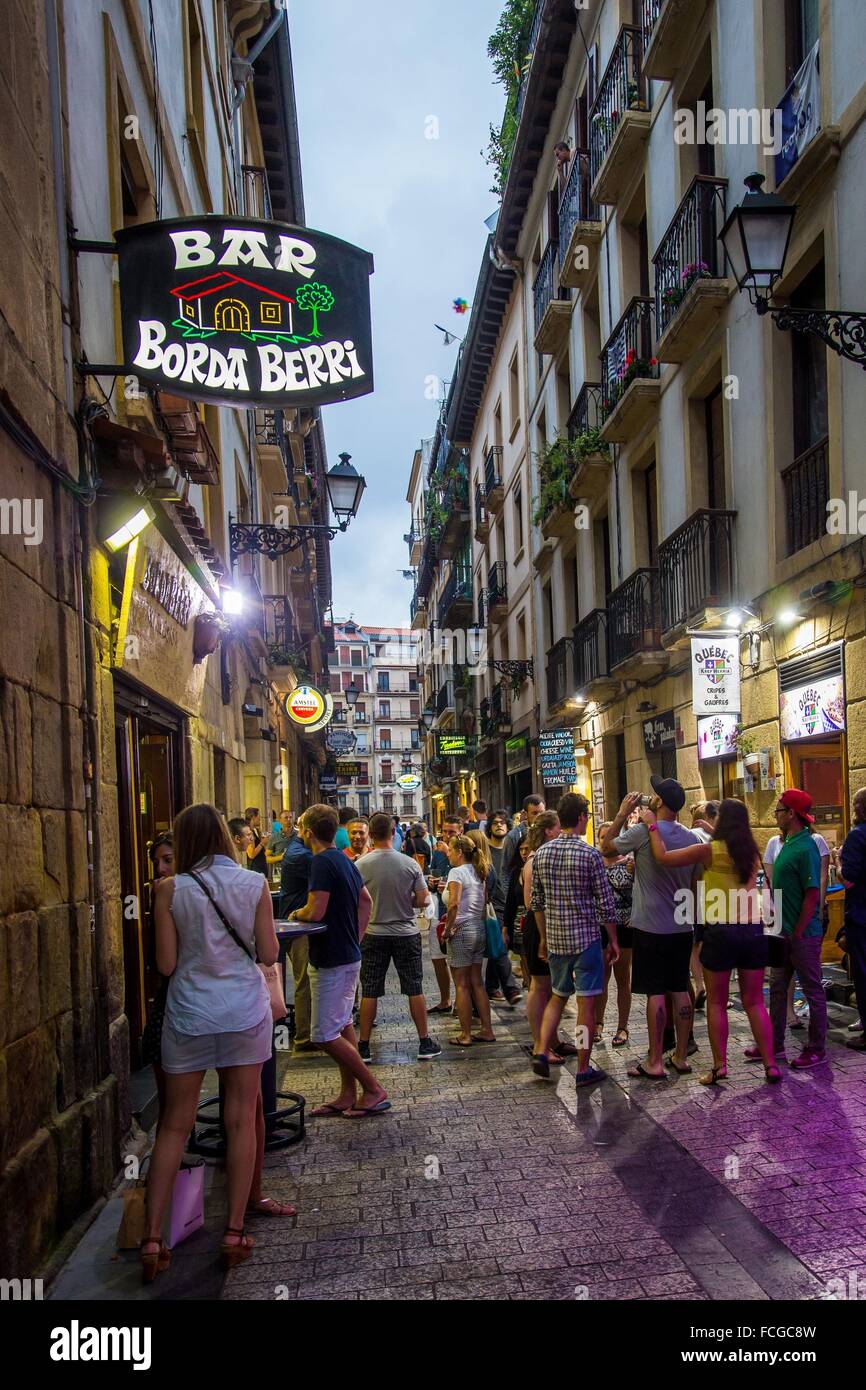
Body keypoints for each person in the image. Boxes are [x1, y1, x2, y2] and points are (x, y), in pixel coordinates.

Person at [143, 804, 279, 1279]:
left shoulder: (168, 890)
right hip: (242, 1011)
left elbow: (165, 964)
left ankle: (153, 1239)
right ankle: (235, 1230)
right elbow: (268, 951)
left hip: (189, 1014)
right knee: (241, 1119)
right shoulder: (253, 883)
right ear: (224, 836)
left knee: (174, 1125)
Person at [638, 800, 779, 1086]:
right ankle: (771, 1065)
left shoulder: (709, 851)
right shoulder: (751, 853)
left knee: (716, 1002)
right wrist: (710, 828)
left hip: (721, 932)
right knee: (754, 1002)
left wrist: (652, 824)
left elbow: (663, 856)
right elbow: (730, 844)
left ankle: (720, 1066)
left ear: (721, 821)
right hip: (752, 931)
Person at [291, 804, 390, 1117]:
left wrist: (296, 914)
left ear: (308, 831)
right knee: (343, 1023)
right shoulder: (345, 860)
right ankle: (348, 1093)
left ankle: (373, 1089)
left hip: (331, 958)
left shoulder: (321, 861)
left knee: (322, 1034)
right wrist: (356, 937)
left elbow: (315, 910)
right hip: (346, 954)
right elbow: (366, 901)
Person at [602, 778, 698, 1080]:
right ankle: (681, 1056)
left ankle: (655, 1060)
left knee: (656, 993)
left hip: (650, 926)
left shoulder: (643, 831)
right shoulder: (692, 837)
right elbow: (695, 883)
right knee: (680, 989)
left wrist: (621, 814)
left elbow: (606, 846)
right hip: (682, 927)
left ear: (660, 802)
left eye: (656, 794)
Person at [529, 794, 618, 1087]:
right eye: (588, 815)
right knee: (586, 1007)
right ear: (580, 817)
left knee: (557, 996)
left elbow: (537, 902)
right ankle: (582, 1067)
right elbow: (605, 904)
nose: (588, 819)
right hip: (586, 940)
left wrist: (543, 937)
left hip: (556, 940)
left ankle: (541, 1049)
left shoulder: (541, 854)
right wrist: (613, 940)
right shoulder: (590, 854)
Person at [356, 812, 441, 1061]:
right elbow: (424, 899)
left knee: (370, 989)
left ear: (370, 835)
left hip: (373, 933)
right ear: (394, 833)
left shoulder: (360, 865)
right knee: (414, 987)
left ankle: (363, 1045)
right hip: (406, 932)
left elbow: (355, 901)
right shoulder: (410, 864)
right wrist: (408, 900)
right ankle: (424, 1041)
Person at [764, 789, 827, 1068]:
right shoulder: (788, 842)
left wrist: (799, 931)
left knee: (813, 990)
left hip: (801, 935)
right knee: (777, 987)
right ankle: (774, 1044)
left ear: (791, 814)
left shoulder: (806, 846)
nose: (775, 815)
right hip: (783, 932)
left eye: (779, 810)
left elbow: (812, 893)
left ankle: (816, 1047)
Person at [442, 834, 497, 1046]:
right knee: (477, 983)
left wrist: (448, 930)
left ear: (459, 852)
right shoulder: (478, 871)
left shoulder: (456, 872)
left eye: (450, 849)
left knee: (462, 985)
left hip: (462, 929)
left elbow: (453, 904)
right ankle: (487, 1029)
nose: (448, 853)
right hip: (478, 927)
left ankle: (465, 1034)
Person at [141, 833, 175, 1130]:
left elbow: (165, 964)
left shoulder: (175, 896)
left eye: (168, 860)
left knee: (174, 1113)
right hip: (173, 1000)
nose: (161, 869)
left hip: (181, 1004)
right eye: (157, 862)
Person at [276, 812, 317, 1056]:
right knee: (305, 981)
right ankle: (304, 1037)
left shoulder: (298, 850)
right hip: (298, 927)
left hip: (298, 924)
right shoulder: (302, 856)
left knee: (307, 979)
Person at [595, 822, 634, 1049]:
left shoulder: (629, 863)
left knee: (623, 979)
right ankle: (598, 1023)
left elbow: (640, 890)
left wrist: (635, 914)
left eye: (610, 837)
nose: (605, 841)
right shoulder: (595, 863)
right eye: (602, 837)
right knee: (601, 979)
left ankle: (622, 1027)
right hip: (600, 927)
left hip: (624, 927)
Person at [482, 811, 522, 1005]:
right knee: (500, 942)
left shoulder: (512, 850)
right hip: (492, 905)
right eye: (495, 823)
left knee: (500, 945)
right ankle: (510, 988)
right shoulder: (485, 851)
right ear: (490, 826)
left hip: (510, 903)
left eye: (503, 823)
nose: (499, 826)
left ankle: (490, 985)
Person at [840, 787, 866, 1050]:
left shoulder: (857, 837)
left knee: (863, 971)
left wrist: (837, 865)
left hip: (861, 915)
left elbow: (849, 880)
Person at [688, 800, 719, 1008]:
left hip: (693, 899)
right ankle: (710, 988)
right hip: (712, 900)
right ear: (707, 818)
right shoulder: (715, 839)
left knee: (694, 945)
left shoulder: (693, 837)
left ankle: (700, 985)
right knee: (707, 944)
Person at [425, 834, 454, 1013]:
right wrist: (432, 883)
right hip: (439, 911)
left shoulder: (463, 855)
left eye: (451, 832)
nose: (446, 836)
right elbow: (434, 878)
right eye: (445, 831)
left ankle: (461, 1001)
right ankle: (445, 1000)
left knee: (456, 961)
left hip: (454, 915)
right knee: (437, 958)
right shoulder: (437, 854)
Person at [502, 794, 546, 877]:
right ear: (525, 814)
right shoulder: (513, 836)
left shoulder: (549, 833)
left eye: (542, 813)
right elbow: (505, 869)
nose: (539, 817)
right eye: (534, 813)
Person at [244, 807, 271, 876]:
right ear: (253, 817)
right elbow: (251, 854)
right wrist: (262, 843)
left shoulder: (254, 831)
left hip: (260, 867)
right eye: (259, 816)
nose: (260, 819)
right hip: (256, 869)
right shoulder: (249, 832)